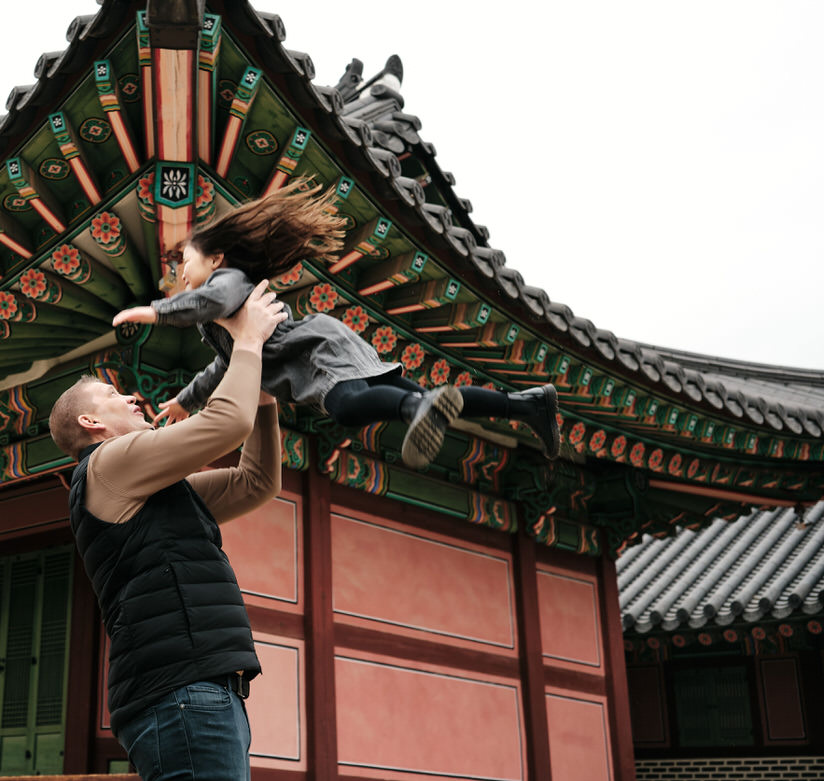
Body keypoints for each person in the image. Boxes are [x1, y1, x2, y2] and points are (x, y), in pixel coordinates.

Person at [112, 181, 560, 469]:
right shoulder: (220, 316)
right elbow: (223, 366)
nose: (181, 273)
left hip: (316, 353)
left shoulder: (227, 283)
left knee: (346, 407)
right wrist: (186, 399)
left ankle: (417, 408)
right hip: (328, 345)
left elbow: (210, 301)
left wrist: (157, 312)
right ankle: (526, 405)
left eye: (186, 262)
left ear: (216, 259)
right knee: (428, 397)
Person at [51, 279, 287, 781]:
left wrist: (264, 395)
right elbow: (226, 425)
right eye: (114, 395)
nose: (132, 398)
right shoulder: (107, 464)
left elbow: (256, 483)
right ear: (90, 421)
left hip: (196, 690)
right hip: (181, 693)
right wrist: (247, 341)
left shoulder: (154, 491)